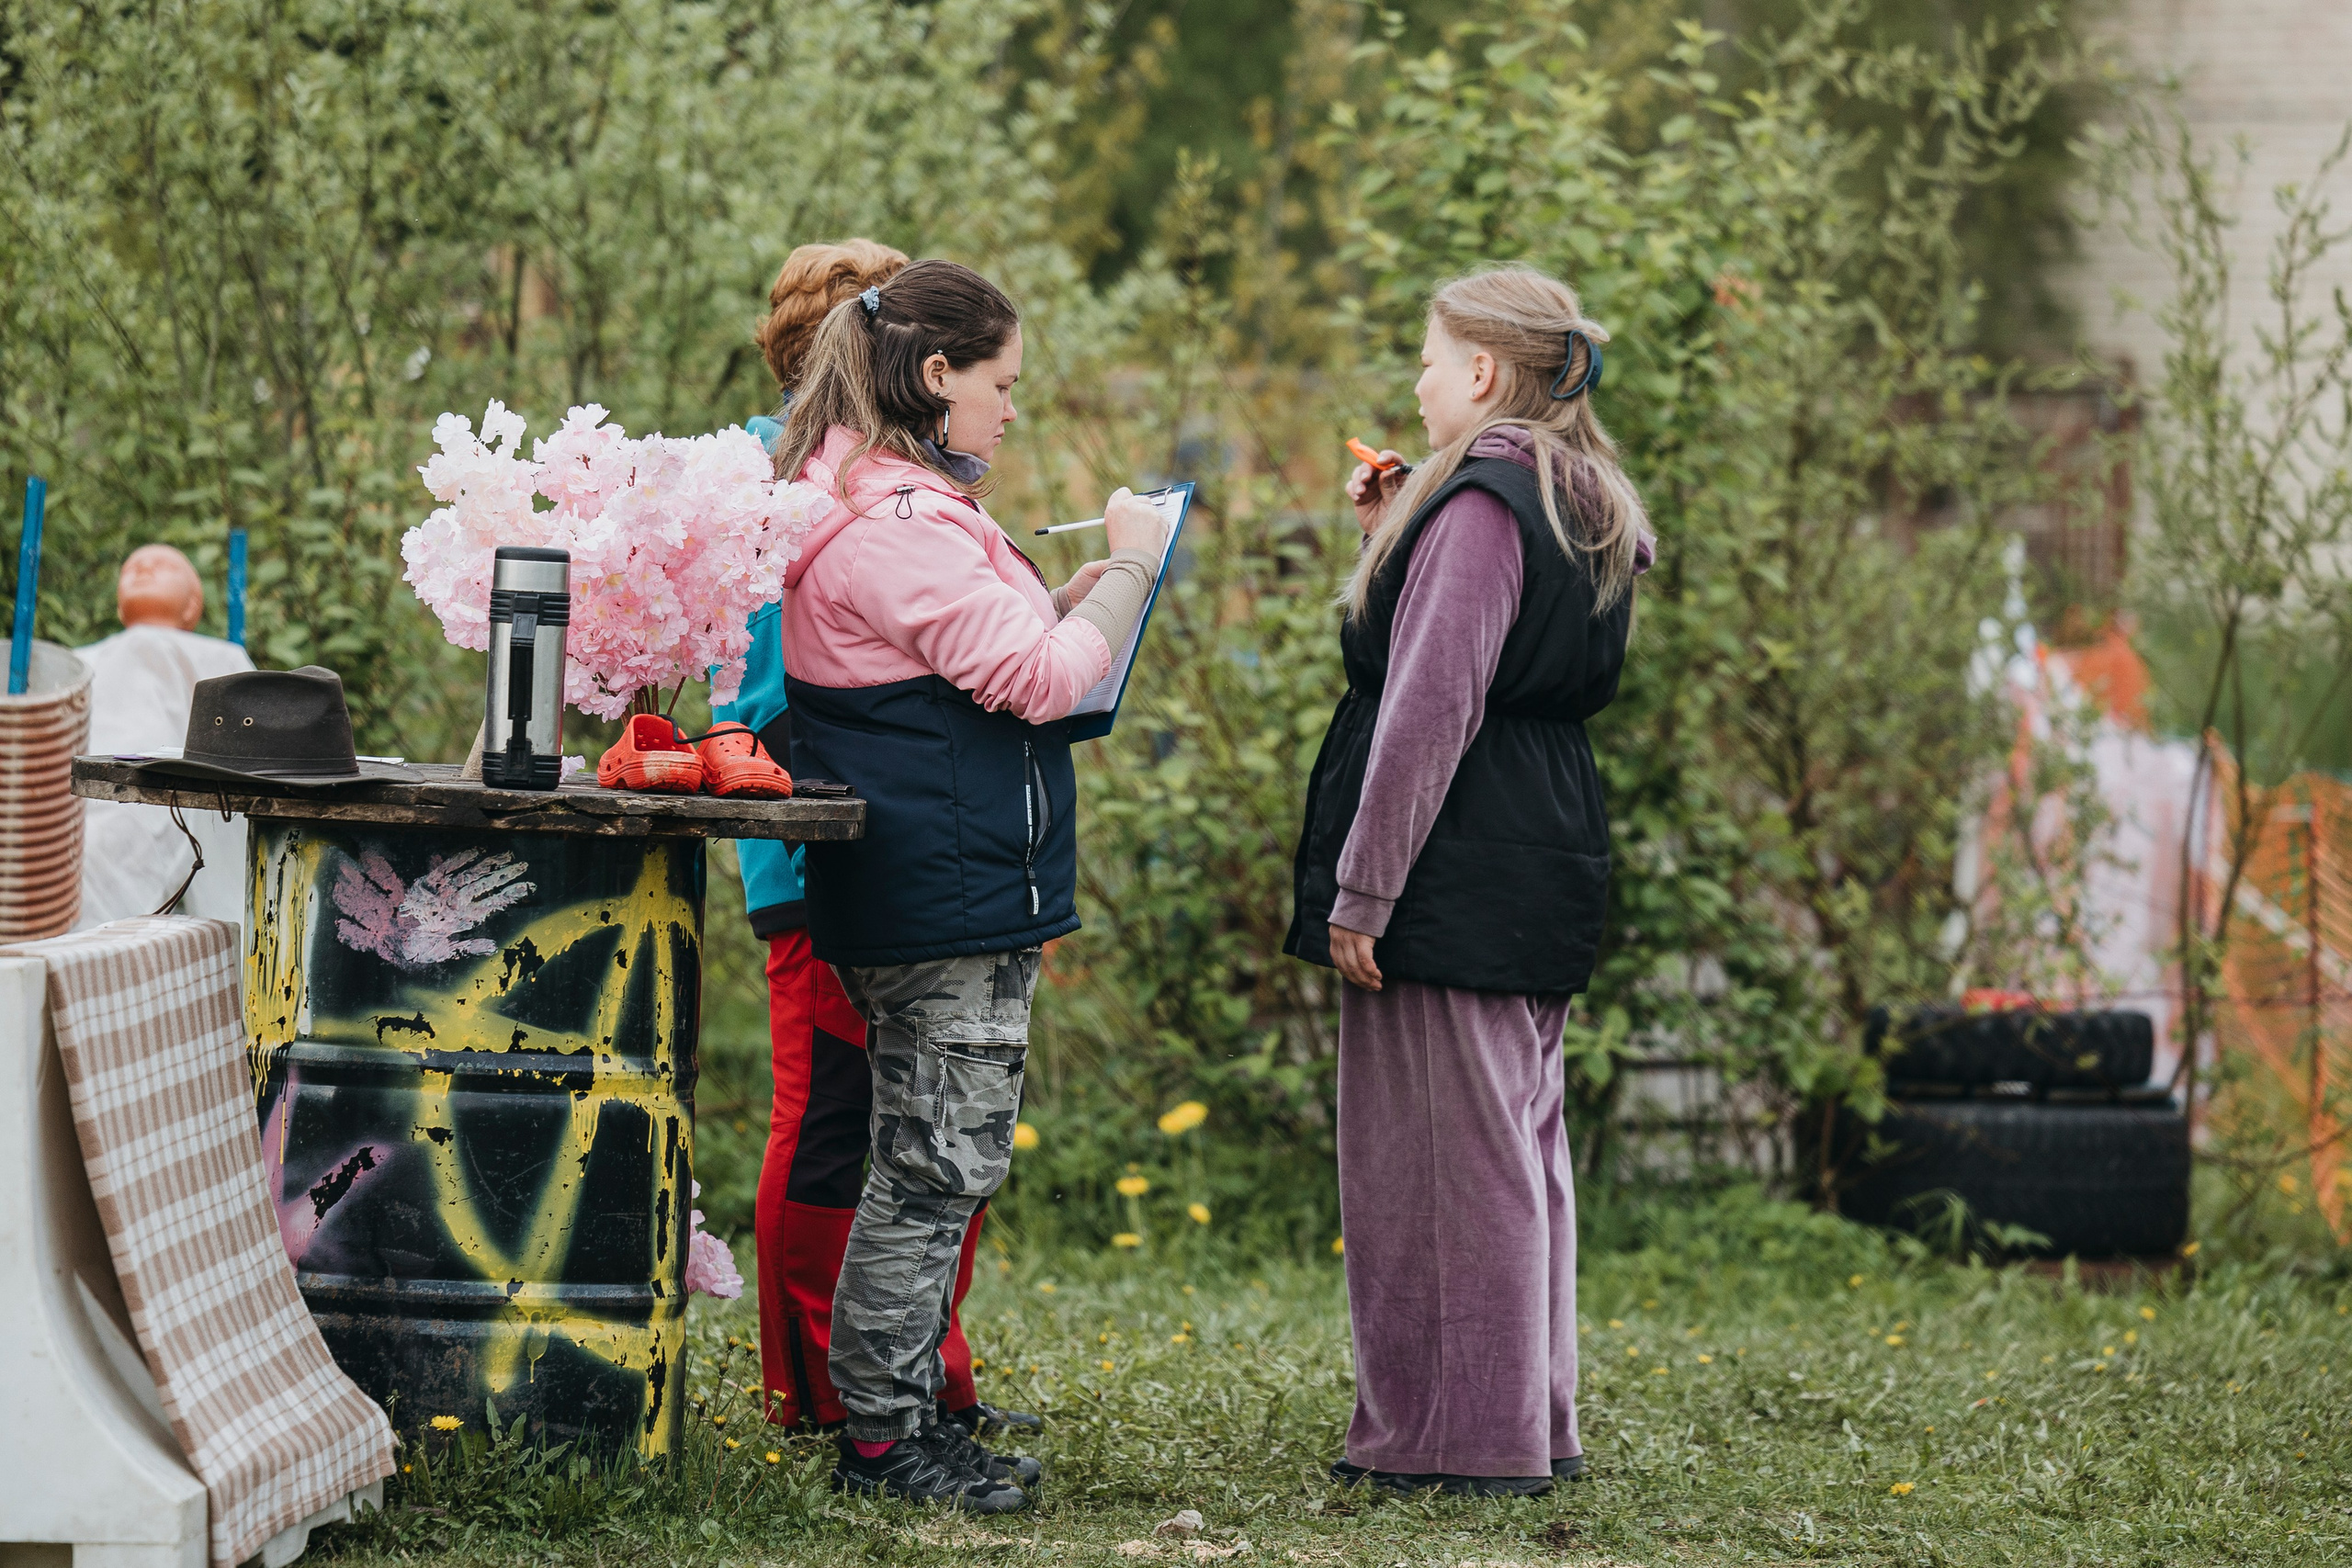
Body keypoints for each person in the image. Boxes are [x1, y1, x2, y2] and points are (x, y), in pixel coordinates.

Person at [772, 258, 1166, 1511]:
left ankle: (902, 1420)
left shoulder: (884, 506)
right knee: (933, 1165)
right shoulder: (897, 525)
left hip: (949, 882)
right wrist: (1133, 565)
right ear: (935, 376)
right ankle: (887, 1439)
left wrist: (1074, 596)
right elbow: (1046, 681)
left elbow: (985, 661)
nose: (1014, 407)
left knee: (932, 1158)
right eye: (1001, 383)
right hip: (945, 893)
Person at [1283, 265, 1652, 1497]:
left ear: (1487, 372)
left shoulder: (1485, 505)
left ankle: (1456, 1438)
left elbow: (1432, 705)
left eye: (1430, 358)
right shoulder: (1575, 493)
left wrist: (1365, 889)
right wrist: (1405, 523)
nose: (1418, 380)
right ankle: (1526, 1418)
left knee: (1437, 1166)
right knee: (1517, 1151)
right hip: (1540, 840)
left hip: (1452, 858)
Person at [709, 240, 1039, 1461]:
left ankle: (926, 1373)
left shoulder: (903, 482)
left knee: (930, 1128)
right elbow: (755, 684)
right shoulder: (770, 482)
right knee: (838, 1116)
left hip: (912, 848)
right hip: (818, 849)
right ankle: (820, 1388)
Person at [76, 544, 254, 930]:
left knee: (121, 851)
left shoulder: (218, 657)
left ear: (193, 605)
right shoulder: (83, 661)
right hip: (87, 797)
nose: (144, 567)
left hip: (163, 790)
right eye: (133, 566)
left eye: (162, 565)